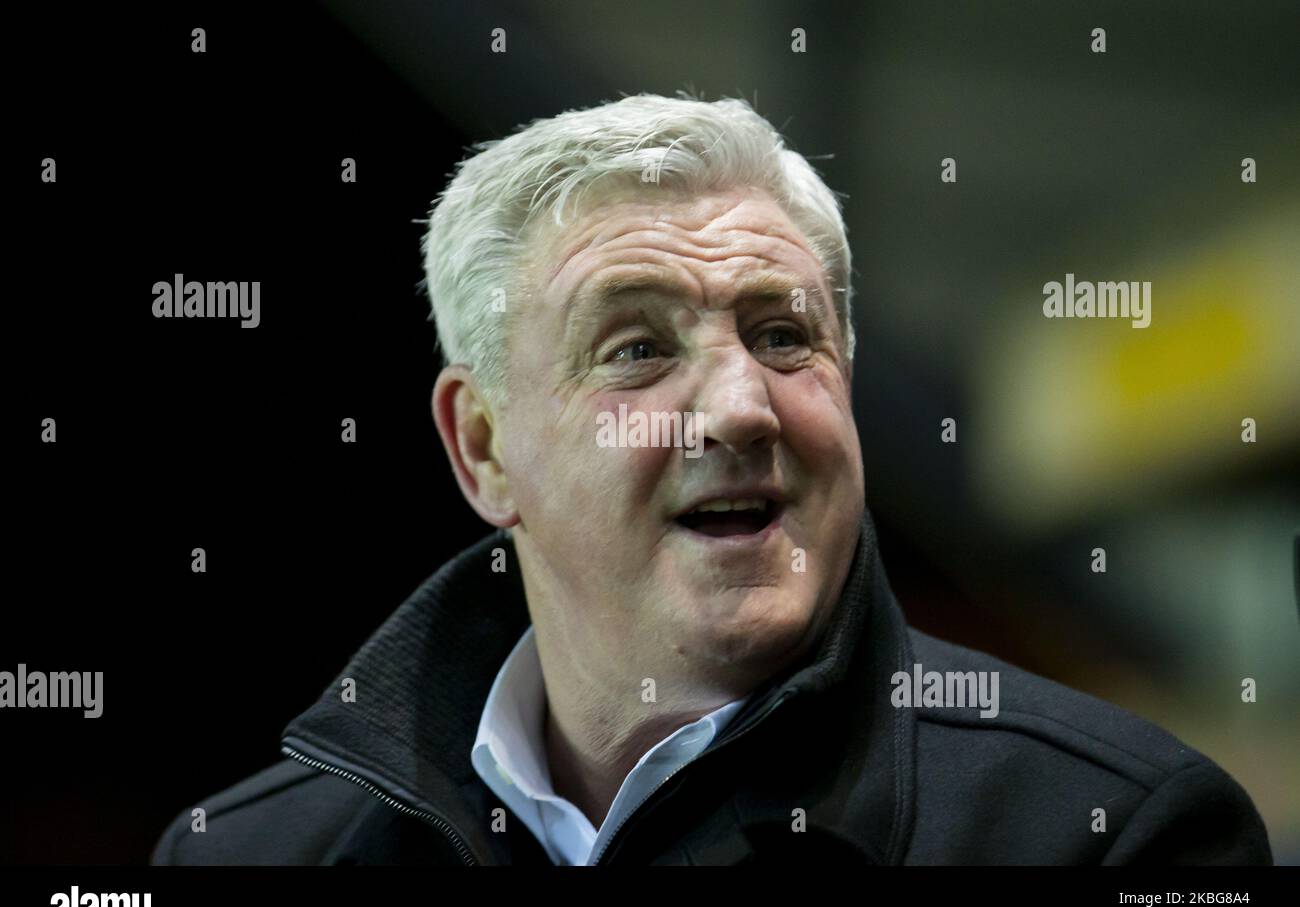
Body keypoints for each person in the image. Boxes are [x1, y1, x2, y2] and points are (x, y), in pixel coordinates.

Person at [151, 93, 1272, 865]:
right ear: (484, 446)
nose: (741, 405)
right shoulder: (247, 853)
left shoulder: (1111, 832)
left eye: (783, 334)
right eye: (637, 348)